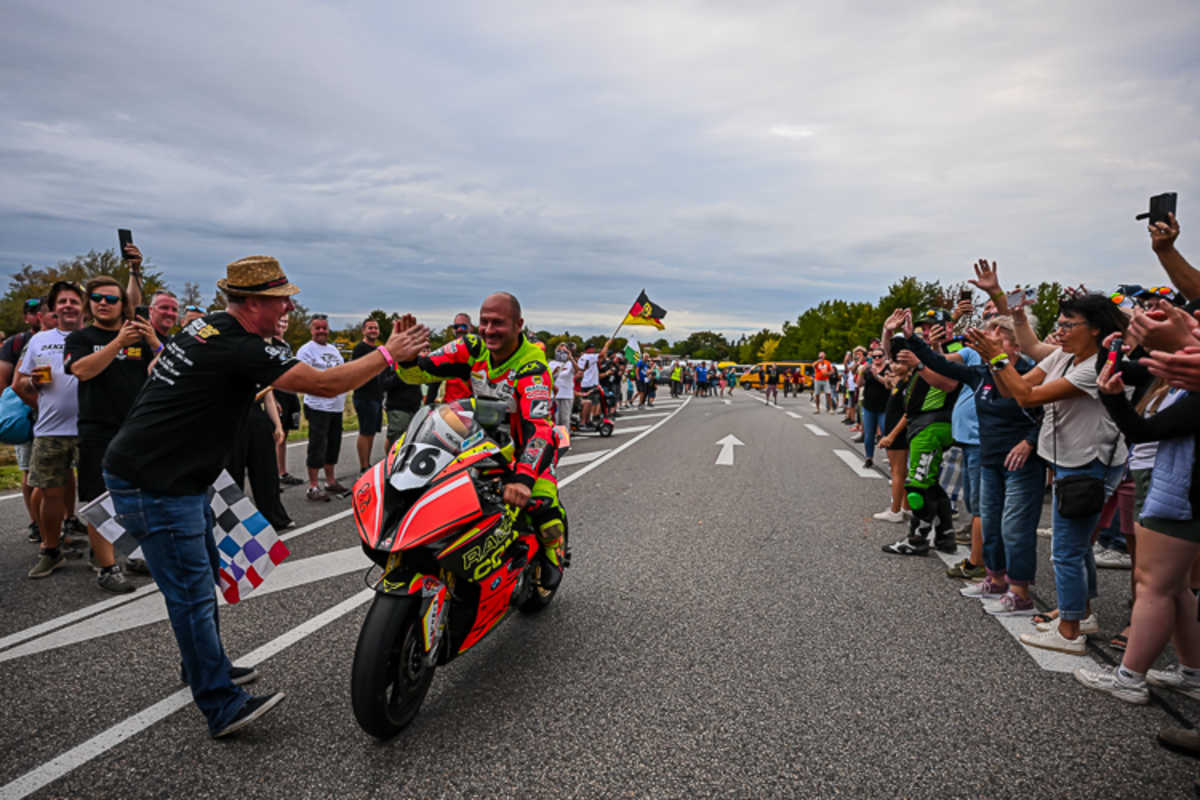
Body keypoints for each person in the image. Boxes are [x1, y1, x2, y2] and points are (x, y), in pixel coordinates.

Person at [102, 254, 429, 738]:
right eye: (281, 301)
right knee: (191, 595)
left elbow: (161, 372)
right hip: (157, 483)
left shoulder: (207, 328)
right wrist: (388, 353)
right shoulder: (239, 345)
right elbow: (325, 383)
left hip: (171, 475)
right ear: (253, 302)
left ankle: (203, 667)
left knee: (200, 580)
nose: (288, 310)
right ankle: (220, 705)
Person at [971, 292, 1129, 654]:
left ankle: (1069, 632)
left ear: (1094, 328)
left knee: (1066, 551)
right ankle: (1080, 613)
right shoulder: (1066, 355)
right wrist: (996, 355)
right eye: (1059, 324)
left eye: (1068, 325)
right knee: (1078, 546)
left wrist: (997, 357)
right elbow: (1017, 385)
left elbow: (1028, 396)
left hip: (1088, 464)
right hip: (1070, 461)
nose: (1059, 332)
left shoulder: (1096, 366)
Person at [393, 292, 567, 588]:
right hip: (475, 443)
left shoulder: (533, 367)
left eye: (498, 323)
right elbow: (418, 374)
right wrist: (408, 359)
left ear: (518, 325)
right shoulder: (471, 347)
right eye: (484, 321)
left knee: (544, 508)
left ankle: (554, 552)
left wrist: (523, 479)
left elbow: (539, 429)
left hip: (524, 452)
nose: (488, 330)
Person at [63, 275, 161, 592]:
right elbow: (82, 370)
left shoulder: (141, 337)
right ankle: (107, 567)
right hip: (97, 430)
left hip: (137, 430)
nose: (103, 303)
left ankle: (136, 555)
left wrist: (153, 341)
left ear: (123, 305)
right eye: (96, 298)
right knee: (99, 500)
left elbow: (169, 368)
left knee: (140, 497)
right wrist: (118, 343)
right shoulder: (80, 337)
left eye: (111, 299)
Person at [16, 281, 87, 579]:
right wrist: (34, 389)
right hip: (50, 430)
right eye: (62, 302)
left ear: (83, 307)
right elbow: (19, 383)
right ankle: (50, 550)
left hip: (90, 428)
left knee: (101, 494)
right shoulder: (39, 340)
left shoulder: (94, 336)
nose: (68, 305)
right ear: (54, 309)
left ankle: (104, 554)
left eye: (74, 301)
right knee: (50, 494)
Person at [880, 309, 961, 556]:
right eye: (924, 327)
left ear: (948, 327)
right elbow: (892, 356)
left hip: (933, 424)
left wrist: (926, 356)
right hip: (921, 424)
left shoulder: (956, 348)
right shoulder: (921, 348)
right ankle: (945, 536)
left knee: (917, 487)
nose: (927, 331)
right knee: (930, 483)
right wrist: (888, 332)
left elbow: (948, 380)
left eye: (932, 326)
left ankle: (917, 539)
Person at [2, 297, 51, 543]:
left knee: (55, 473)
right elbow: (6, 382)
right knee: (30, 471)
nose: (35, 316)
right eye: (31, 312)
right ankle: (35, 523)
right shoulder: (18, 342)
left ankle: (62, 520)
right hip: (26, 414)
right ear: (29, 317)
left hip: (49, 414)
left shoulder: (59, 339)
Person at [297, 314, 348, 501]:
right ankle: (313, 486)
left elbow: (342, 372)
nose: (321, 331)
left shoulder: (334, 350)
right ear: (311, 330)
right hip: (318, 405)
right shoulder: (306, 351)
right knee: (317, 445)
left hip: (336, 406)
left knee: (333, 444)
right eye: (317, 328)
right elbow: (302, 376)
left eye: (324, 328)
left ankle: (330, 481)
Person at [270, 314, 303, 486]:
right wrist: (273, 399)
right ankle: (271, 475)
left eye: (285, 322)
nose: (283, 324)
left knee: (285, 435)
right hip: (277, 394)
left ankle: (282, 472)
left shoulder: (286, 345)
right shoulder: (269, 343)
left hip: (290, 395)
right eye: (280, 321)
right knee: (276, 436)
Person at [351, 319, 387, 472]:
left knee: (371, 432)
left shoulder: (379, 349)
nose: (373, 330)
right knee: (365, 432)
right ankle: (363, 466)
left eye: (376, 328)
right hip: (364, 396)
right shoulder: (360, 348)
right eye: (370, 328)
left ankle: (367, 463)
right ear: (363, 331)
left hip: (377, 397)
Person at [550, 343, 576, 427]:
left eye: (564, 351)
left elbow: (578, 370)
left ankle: (565, 435)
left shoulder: (570, 364)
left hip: (566, 395)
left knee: (565, 419)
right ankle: (555, 435)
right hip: (554, 395)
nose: (562, 353)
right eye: (560, 350)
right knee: (555, 419)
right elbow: (547, 378)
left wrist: (571, 357)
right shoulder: (551, 363)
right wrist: (554, 373)